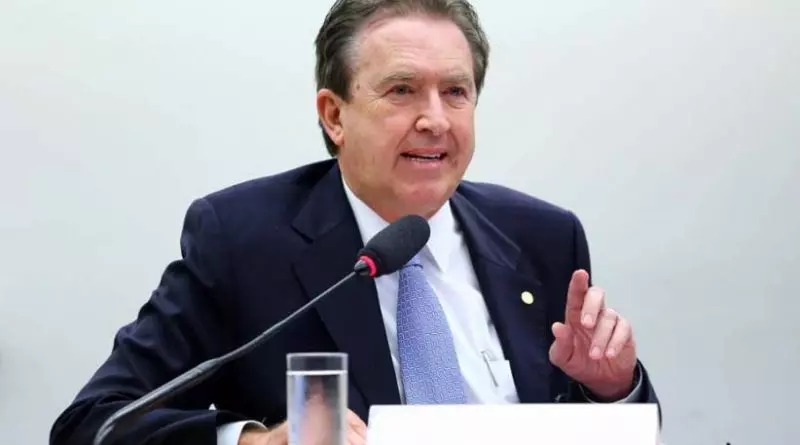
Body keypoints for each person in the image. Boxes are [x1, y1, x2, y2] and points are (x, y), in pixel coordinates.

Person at [50, 1, 660, 444]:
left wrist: (611, 389)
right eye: (401, 91)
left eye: (455, 92)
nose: (435, 120)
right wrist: (253, 442)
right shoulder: (242, 241)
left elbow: (609, 427)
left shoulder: (543, 237)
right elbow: (95, 425)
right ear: (334, 115)